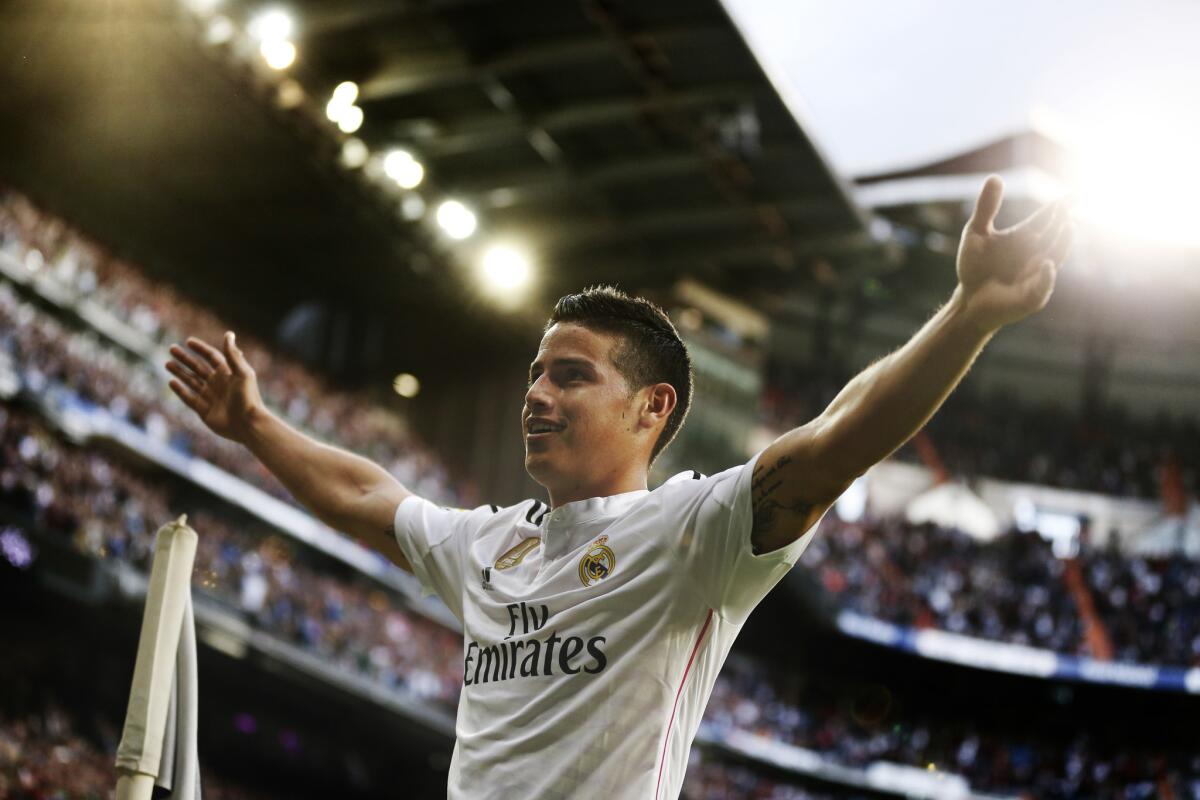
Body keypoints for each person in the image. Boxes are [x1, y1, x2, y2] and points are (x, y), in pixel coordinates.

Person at [165, 176, 1073, 799]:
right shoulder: (488, 545)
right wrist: (254, 425)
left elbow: (839, 437)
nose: (535, 394)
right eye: (534, 373)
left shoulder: (696, 534)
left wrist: (966, 315)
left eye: (569, 376)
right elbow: (365, 494)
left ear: (652, 408)